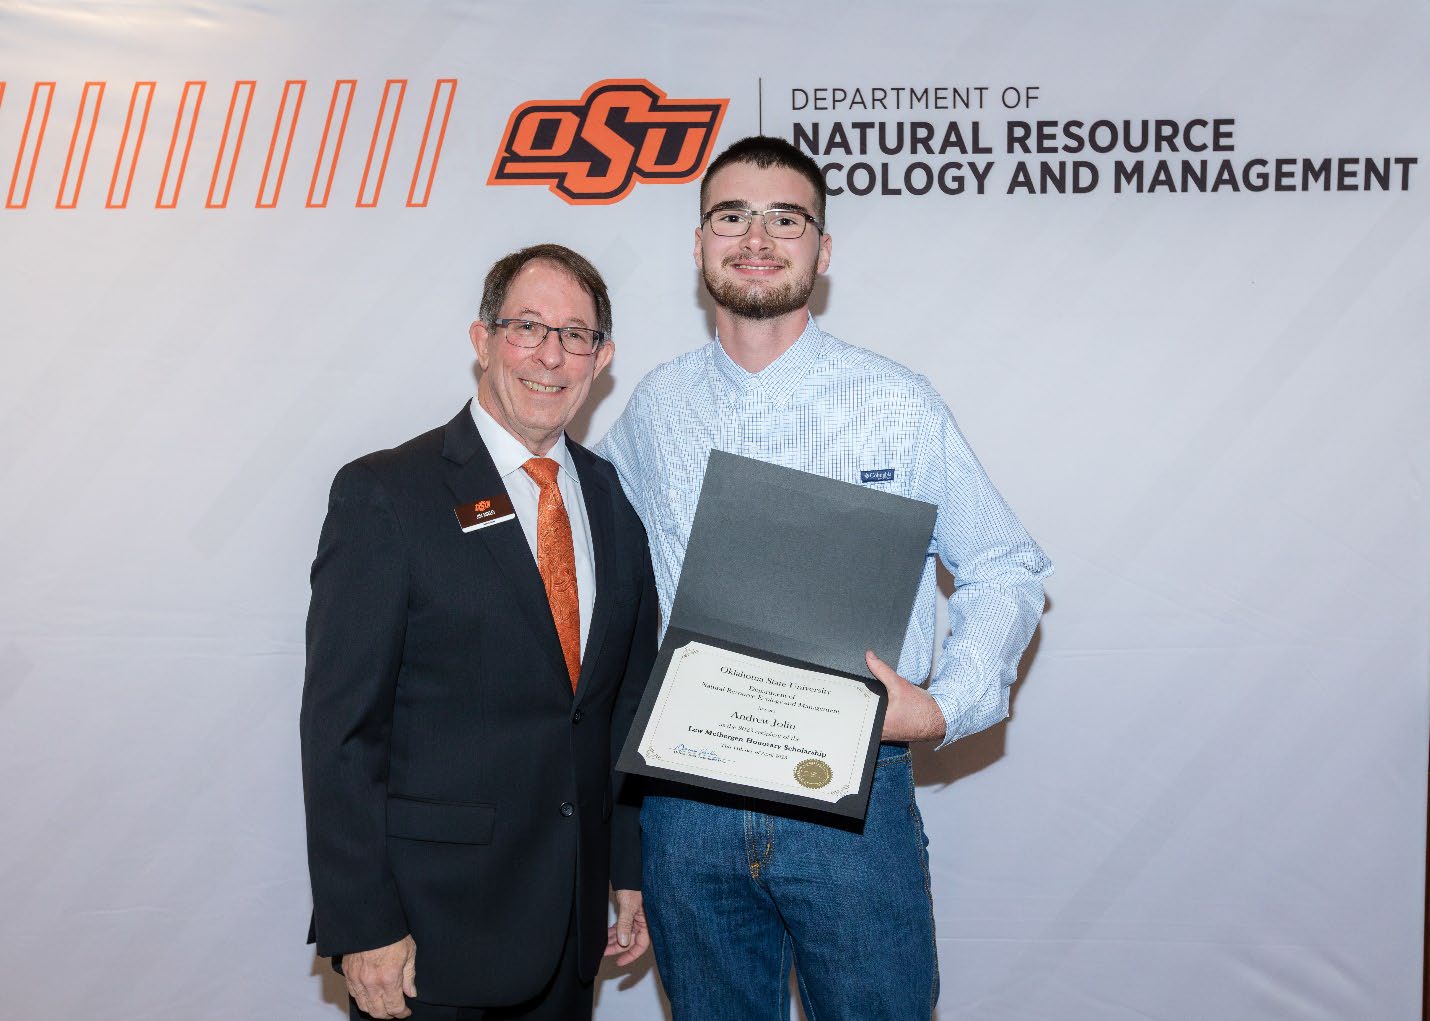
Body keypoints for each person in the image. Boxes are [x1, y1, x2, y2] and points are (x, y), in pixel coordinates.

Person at [599, 137, 1052, 1020]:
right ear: (699, 245)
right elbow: (595, 563)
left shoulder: (898, 401)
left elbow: (1004, 564)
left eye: (786, 218)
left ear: (823, 249)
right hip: (687, 802)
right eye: (732, 216)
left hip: (849, 797)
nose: (757, 236)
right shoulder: (656, 407)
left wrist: (948, 703)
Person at [301, 244, 658, 1020]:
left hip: (568, 937)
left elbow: (624, 708)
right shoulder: (386, 494)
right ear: (482, 339)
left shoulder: (610, 498)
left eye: (575, 335)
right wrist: (363, 924)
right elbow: (341, 731)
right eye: (528, 327)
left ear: (602, 358)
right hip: (429, 941)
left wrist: (630, 866)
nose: (550, 355)